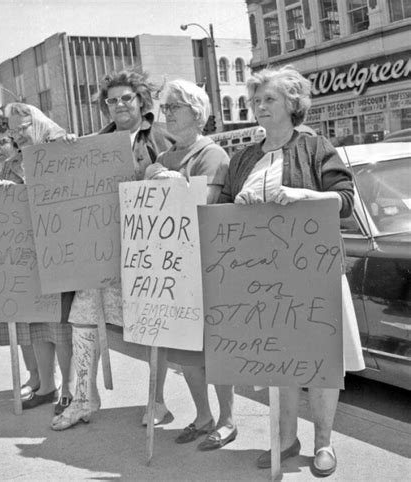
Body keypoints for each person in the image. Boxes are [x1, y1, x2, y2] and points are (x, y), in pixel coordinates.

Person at [218, 65, 365, 476]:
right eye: (256, 100)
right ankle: (285, 439)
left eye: (269, 99)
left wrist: (302, 194)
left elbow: (346, 201)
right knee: (277, 362)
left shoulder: (317, 147)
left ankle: (324, 443)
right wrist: (237, 206)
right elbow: (223, 210)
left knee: (319, 363)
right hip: (262, 277)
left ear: (292, 104)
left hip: (313, 271)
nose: (260, 107)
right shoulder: (244, 156)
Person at [51, 70, 173, 431]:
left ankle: (158, 402)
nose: (119, 105)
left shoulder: (162, 137)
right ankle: (84, 401)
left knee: (153, 327)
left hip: (147, 251)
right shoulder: (94, 143)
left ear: (140, 100)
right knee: (83, 321)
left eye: (126, 98)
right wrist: (67, 150)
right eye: (112, 100)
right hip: (99, 251)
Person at [145, 79, 236, 451]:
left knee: (216, 348)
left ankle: (228, 417)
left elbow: (207, 204)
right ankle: (202, 415)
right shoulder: (161, 160)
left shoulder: (212, 155)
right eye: (165, 108)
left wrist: (173, 183)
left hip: (207, 266)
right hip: (174, 269)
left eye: (174, 107)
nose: (166, 114)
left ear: (197, 114)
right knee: (185, 350)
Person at [1, 102, 75, 415]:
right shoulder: (13, 164)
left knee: (60, 328)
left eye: (23, 127)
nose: (18, 135)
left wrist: (75, 149)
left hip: (60, 252)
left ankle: (71, 391)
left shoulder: (63, 149)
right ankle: (46, 387)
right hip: (26, 256)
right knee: (37, 325)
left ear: (39, 123)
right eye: (13, 130)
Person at [0, 116, 40, 398]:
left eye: (2, 142)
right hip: (13, 254)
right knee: (19, 320)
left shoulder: (31, 161)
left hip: (38, 253)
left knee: (42, 323)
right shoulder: (3, 171)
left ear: (15, 140)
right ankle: (34, 375)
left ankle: (48, 380)